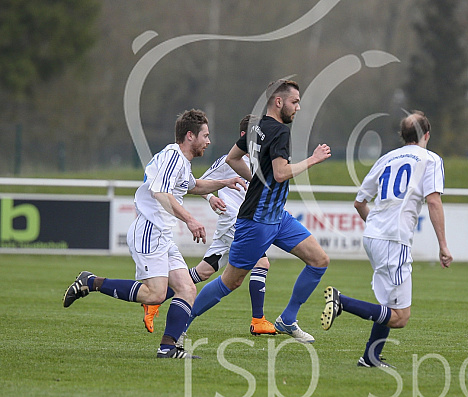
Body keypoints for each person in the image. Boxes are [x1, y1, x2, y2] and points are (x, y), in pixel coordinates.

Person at [62, 109, 246, 359]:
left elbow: (194, 186)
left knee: (187, 289)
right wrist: (191, 219)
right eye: (205, 135)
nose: (209, 141)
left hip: (161, 234)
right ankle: (91, 282)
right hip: (150, 230)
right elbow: (161, 194)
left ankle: (168, 348)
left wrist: (223, 183)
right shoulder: (173, 156)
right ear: (190, 136)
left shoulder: (181, 161)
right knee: (155, 294)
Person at [172, 79, 332, 347]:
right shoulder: (280, 132)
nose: (299, 108)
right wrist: (313, 160)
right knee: (229, 282)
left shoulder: (256, 128)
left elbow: (233, 159)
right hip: (257, 220)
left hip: (277, 216)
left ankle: (287, 319)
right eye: (295, 102)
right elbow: (280, 173)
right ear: (278, 102)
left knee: (319, 260)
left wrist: (259, 179)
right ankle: (179, 326)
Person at [322, 110, 452, 367]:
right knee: (400, 316)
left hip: (373, 236)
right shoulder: (430, 159)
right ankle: (341, 302)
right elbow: (434, 201)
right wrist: (443, 246)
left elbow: (359, 203)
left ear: (403, 136)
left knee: (386, 303)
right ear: (427, 135)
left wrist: (377, 228)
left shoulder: (386, 159)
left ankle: (371, 356)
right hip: (394, 240)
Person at [141, 115, 275, 337]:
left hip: (236, 225)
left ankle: (156, 300)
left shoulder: (262, 162)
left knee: (203, 272)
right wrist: (211, 198)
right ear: (244, 137)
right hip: (234, 221)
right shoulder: (228, 161)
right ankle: (258, 320)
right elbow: (197, 183)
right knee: (262, 262)